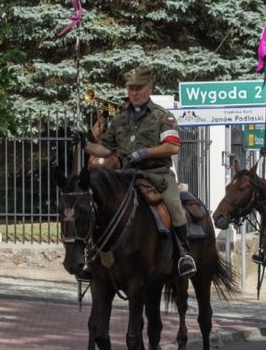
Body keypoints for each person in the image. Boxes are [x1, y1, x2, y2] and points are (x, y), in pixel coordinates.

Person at [79, 67, 196, 278]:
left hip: (157, 175)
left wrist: (145, 153)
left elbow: (173, 147)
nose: (134, 93)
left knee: (174, 206)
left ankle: (184, 255)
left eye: (139, 88)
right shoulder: (121, 118)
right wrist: (84, 143)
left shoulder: (162, 116)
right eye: (131, 89)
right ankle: (92, 258)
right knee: (97, 206)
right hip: (125, 175)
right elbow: (105, 149)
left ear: (149, 89)